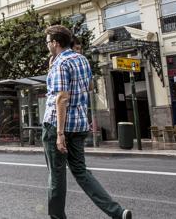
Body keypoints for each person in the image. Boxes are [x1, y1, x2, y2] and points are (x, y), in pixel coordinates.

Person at [43, 25, 131, 219]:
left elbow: (62, 98)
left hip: (57, 126)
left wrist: (59, 134)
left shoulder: (60, 64)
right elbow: (90, 85)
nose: (47, 45)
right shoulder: (81, 59)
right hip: (80, 125)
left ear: (55, 43)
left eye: (48, 42)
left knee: (56, 177)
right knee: (81, 172)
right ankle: (117, 212)